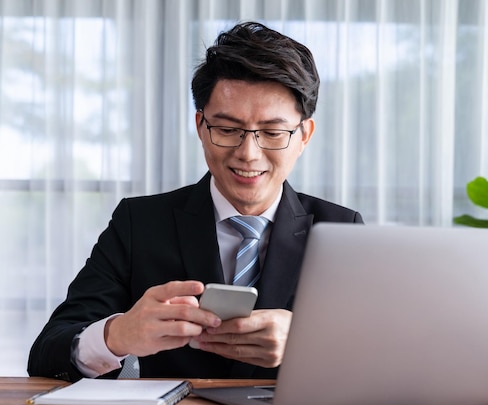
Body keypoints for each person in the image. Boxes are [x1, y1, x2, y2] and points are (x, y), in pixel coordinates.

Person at [27, 21, 363, 382]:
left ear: (304, 135)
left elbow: (377, 356)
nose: (248, 154)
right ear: (201, 127)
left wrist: (306, 342)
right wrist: (118, 334)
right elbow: (47, 354)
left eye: (271, 132)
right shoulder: (139, 223)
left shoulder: (341, 230)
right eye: (228, 129)